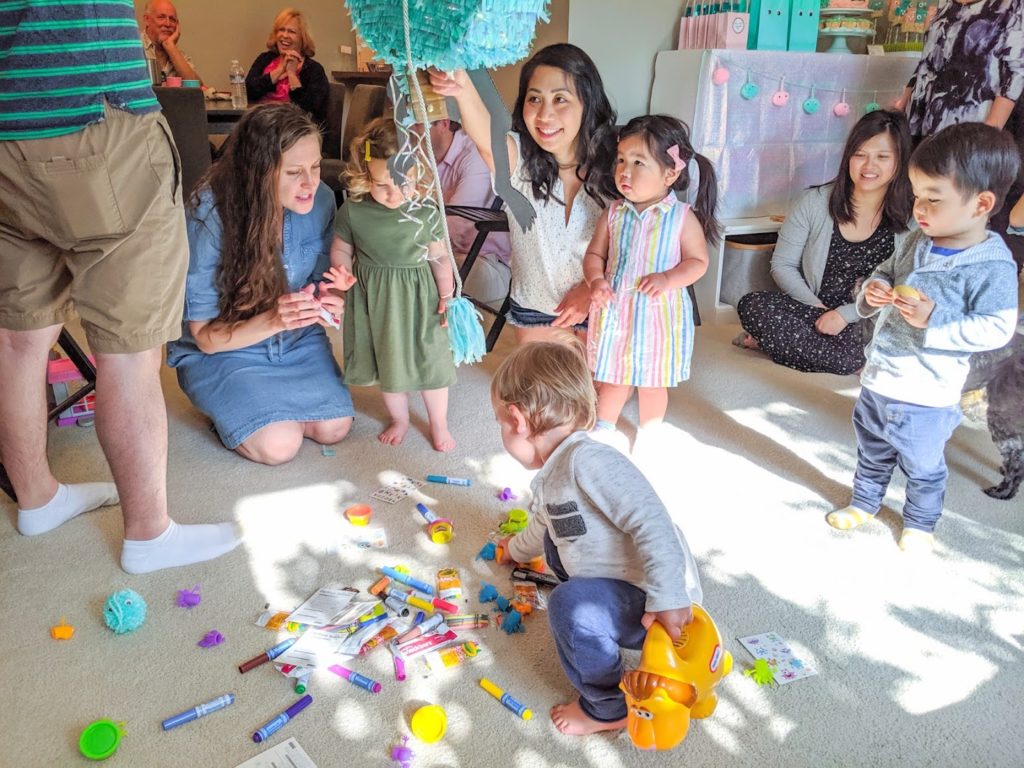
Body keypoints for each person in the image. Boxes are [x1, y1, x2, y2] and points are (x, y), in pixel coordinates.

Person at [0, 0, 239, 574]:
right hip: (92, 116)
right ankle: (149, 535)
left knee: (17, 337)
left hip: (6, 125)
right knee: (130, 348)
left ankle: (36, 497)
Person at [489, 341, 703, 735]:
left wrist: (669, 597)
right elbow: (544, 522)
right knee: (558, 536)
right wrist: (515, 550)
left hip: (657, 603)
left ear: (517, 420)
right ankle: (597, 616)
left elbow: (653, 522)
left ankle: (607, 708)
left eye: (500, 424)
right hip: (627, 585)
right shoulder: (554, 473)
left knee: (569, 606)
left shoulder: (590, 460)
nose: (503, 432)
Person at [827, 123, 1020, 552]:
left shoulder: (992, 266)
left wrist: (937, 318)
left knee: (923, 465)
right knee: (871, 450)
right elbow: (887, 272)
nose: (919, 208)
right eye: (916, 195)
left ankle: (920, 522)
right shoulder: (917, 239)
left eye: (933, 198)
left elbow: (997, 327)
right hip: (880, 377)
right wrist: (871, 291)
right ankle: (865, 501)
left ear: (981, 204)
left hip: (927, 393)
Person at [166, 103, 353, 465]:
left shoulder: (322, 201)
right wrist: (274, 320)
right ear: (258, 173)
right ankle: (233, 410)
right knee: (278, 445)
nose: (310, 183)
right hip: (225, 349)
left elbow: (320, 283)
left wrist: (331, 298)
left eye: (315, 167)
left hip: (296, 342)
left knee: (335, 427)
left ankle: (254, 409)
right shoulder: (210, 213)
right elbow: (205, 337)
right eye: (294, 172)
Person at [431, 43, 618, 344]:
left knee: (599, 392)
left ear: (588, 102)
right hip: (533, 312)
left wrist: (590, 288)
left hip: (601, 308)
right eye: (535, 99)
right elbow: (484, 136)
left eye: (560, 99)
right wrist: (462, 86)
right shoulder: (519, 164)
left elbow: (640, 247)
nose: (544, 114)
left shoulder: (618, 169)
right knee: (532, 390)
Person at [734, 110, 914, 375]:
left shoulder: (913, 217)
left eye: (882, 157)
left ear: (899, 161)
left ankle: (782, 345)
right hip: (811, 310)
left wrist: (844, 315)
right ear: (848, 158)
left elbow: (905, 287)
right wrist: (818, 309)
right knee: (752, 304)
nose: (869, 166)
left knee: (893, 333)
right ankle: (849, 359)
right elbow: (782, 265)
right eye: (860, 155)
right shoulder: (815, 202)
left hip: (866, 318)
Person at [322, 117, 457, 451]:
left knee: (432, 362)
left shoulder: (425, 211)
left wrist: (447, 294)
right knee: (388, 361)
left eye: (403, 184)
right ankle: (400, 418)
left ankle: (438, 423)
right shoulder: (354, 211)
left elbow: (439, 257)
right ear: (365, 176)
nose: (394, 194)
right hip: (375, 298)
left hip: (421, 297)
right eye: (382, 185)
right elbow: (341, 248)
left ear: (418, 174)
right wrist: (341, 271)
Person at [583, 114, 718, 431]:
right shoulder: (613, 213)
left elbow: (698, 262)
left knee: (652, 382)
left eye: (638, 163)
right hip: (616, 312)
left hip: (658, 317)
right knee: (613, 376)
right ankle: (603, 426)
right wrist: (596, 279)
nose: (624, 172)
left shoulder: (681, 217)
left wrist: (669, 278)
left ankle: (651, 430)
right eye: (621, 161)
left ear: (670, 174)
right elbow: (594, 254)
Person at [427, 118, 511, 309]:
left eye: (415, 124)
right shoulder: (420, 154)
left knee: (413, 270)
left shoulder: (473, 153)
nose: (408, 133)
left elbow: (457, 225)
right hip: (444, 253)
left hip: (486, 261)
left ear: (444, 123)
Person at [245, 8, 328, 127]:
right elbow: (247, 92)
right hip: (258, 124)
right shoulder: (265, 59)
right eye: (281, 30)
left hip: (292, 131)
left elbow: (310, 110)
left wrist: (292, 74)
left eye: (291, 32)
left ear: (302, 38)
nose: (284, 35)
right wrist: (278, 71)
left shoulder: (314, 70)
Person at [140, 0, 201, 84]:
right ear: (146, 19)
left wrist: (170, 47)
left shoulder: (179, 56)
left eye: (172, 19)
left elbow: (197, 88)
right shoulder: (132, 48)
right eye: (161, 17)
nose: (168, 24)